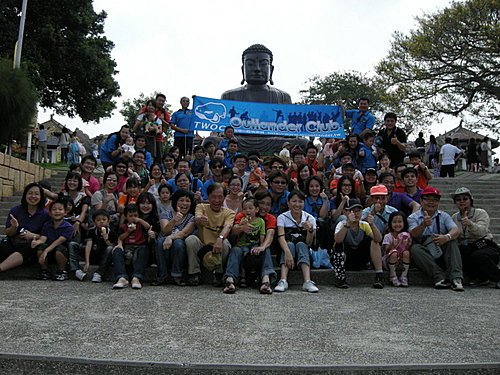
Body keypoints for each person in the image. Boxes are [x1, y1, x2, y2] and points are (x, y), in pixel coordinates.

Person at [408, 186, 464, 291]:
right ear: (421, 200)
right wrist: (423, 225)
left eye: (434, 200)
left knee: (452, 241)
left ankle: (456, 278)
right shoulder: (413, 217)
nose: (431, 203)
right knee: (415, 249)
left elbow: (456, 230)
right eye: (427, 199)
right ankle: (439, 277)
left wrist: (446, 237)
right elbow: (413, 234)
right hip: (425, 252)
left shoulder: (444, 216)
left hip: (441, 249)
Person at [185, 183, 235, 286]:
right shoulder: (201, 207)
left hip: (218, 245)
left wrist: (220, 238)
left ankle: (219, 273)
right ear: (208, 196)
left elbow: (228, 227)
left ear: (224, 198)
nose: (216, 200)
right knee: (191, 239)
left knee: (225, 243)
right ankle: (194, 273)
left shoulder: (229, 213)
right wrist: (200, 220)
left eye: (220, 197)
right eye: (213, 197)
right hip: (203, 245)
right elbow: (197, 218)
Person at [451, 187, 500, 289]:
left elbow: (482, 231)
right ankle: (479, 277)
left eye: (465, 199)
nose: (462, 202)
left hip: (484, 245)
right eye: (458, 200)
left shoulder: (480, 213)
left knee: (478, 256)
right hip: (468, 246)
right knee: (459, 251)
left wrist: (470, 224)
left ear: (470, 200)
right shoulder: (454, 217)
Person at [332, 198, 384, 289]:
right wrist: (348, 224)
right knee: (339, 245)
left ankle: (379, 276)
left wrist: (372, 224)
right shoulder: (341, 224)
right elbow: (338, 240)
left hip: (360, 257)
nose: (356, 214)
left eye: (358, 211)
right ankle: (340, 278)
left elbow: (379, 239)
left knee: (373, 241)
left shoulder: (364, 225)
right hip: (345, 259)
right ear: (346, 212)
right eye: (352, 211)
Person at [274, 190, 319, 293]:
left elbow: (309, 243)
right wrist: (287, 252)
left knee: (301, 244)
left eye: (300, 201)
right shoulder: (282, 217)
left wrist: (310, 230)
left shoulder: (310, 218)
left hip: (303, 252)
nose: (297, 204)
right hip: (286, 251)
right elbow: (281, 237)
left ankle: (307, 281)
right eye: (294, 201)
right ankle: (283, 280)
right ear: (288, 203)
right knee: (289, 244)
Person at [0, 183, 50, 274]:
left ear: (41, 196)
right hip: (14, 241)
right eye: (30, 193)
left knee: (28, 249)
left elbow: (46, 236)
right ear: (25, 195)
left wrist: (33, 235)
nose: (33, 196)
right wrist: (14, 227)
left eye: (36, 194)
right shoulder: (16, 210)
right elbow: (8, 233)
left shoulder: (45, 214)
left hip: (32, 246)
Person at [221, 44, 292, 104]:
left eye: (263, 64)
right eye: (250, 64)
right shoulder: (229, 97)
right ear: (243, 69)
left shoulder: (282, 97)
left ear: (271, 69)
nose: (257, 69)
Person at [223, 198, 266, 293]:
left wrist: (261, 245)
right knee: (236, 250)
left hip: (254, 245)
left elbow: (262, 235)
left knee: (251, 253)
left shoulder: (261, 221)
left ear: (257, 209)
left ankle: (247, 277)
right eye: (245, 209)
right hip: (242, 245)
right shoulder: (242, 219)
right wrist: (241, 227)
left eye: (251, 208)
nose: (248, 211)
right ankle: (230, 279)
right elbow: (235, 231)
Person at [153, 190, 195, 286]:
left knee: (178, 243)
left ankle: (177, 275)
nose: (184, 203)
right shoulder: (165, 214)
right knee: (159, 242)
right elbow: (165, 231)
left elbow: (184, 233)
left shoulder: (192, 218)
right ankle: (161, 275)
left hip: (179, 247)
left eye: (187, 201)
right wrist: (174, 220)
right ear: (175, 201)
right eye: (181, 200)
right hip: (164, 244)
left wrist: (171, 238)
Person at [32, 196, 73, 281]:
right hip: (49, 251)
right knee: (40, 248)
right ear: (50, 213)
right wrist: (37, 242)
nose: (57, 211)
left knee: (59, 249)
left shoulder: (68, 226)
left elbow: (59, 241)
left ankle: (62, 271)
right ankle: (45, 270)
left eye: (60, 209)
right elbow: (43, 238)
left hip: (62, 252)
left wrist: (46, 251)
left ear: (65, 212)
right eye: (54, 209)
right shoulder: (47, 225)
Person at [112, 203, 153, 290]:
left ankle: (137, 278)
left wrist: (140, 220)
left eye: (135, 215)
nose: (133, 218)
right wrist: (128, 232)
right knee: (117, 250)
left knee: (144, 249)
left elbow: (148, 226)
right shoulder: (124, 226)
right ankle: (122, 277)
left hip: (140, 246)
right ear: (126, 217)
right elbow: (120, 237)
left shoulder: (140, 225)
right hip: (127, 246)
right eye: (131, 216)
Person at [69, 209, 116, 283]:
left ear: (108, 221)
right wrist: (87, 262)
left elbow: (112, 247)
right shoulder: (91, 231)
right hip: (92, 253)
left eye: (104, 219)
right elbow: (88, 245)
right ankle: (76, 270)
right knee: (72, 244)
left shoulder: (111, 232)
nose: (101, 222)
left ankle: (99, 273)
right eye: (98, 220)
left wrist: (106, 239)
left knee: (110, 249)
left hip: (103, 257)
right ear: (94, 222)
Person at [382, 211, 411, 287]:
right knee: (394, 252)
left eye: (400, 222)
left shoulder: (406, 235)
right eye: (394, 222)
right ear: (390, 223)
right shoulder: (388, 236)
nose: (397, 224)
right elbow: (386, 249)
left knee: (406, 252)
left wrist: (407, 244)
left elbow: (408, 248)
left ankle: (404, 276)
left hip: (401, 261)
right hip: (389, 260)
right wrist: (392, 245)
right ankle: (393, 276)